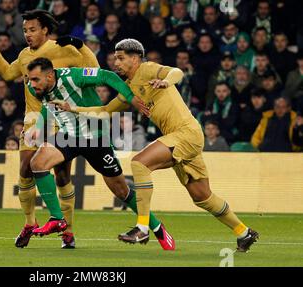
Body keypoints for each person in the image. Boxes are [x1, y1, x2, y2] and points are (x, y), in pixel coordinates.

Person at [62, 39, 259, 252]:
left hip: (185, 133)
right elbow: (105, 110)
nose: (115, 62)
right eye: (114, 58)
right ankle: (244, 232)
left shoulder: (147, 70)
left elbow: (176, 72)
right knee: (202, 197)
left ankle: (143, 227)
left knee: (140, 163)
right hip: (180, 138)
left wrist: (167, 81)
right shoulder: (129, 86)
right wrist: (71, 108)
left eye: (121, 58)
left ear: (135, 58)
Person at [25, 57, 174, 250]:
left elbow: (107, 76)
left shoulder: (74, 76)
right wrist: (39, 127)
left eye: (36, 79)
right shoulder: (35, 87)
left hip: (96, 137)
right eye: (30, 79)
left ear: (50, 75)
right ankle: (57, 219)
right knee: (38, 163)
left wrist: (132, 99)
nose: (31, 83)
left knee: (121, 189)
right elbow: (48, 104)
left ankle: (156, 226)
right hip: (68, 136)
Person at [0, 9, 100, 249]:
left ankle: (68, 231)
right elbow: (7, 72)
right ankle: (29, 223)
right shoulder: (24, 55)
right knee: (25, 170)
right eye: (25, 30)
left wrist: (80, 45)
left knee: (62, 175)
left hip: (62, 119)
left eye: (32, 29)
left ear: (45, 30)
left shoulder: (63, 49)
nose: (28, 34)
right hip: (34, 120)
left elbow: (94, 69)